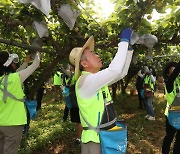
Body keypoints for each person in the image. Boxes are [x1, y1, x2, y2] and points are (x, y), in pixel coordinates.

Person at [69, 28, 134, 154]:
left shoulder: (94, 80)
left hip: (103, 136)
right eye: (92, 54)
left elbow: (120, 73)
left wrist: (129, 50)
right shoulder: (85, 82)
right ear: (84, 63)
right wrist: (123, 41)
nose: (97, 55)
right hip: (95, 140)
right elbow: (114, 70)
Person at [0, 51, 40, 154]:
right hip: (13, 123)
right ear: (9, 64)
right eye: (12, 62)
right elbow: (36, 64)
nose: (14, 64)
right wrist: (37, 50)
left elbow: (19, 71)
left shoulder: (3, 79)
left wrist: (26, 62)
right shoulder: (15, 78)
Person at [162, 61, 180, 154]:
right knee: (169, 137)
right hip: (171, 115)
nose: (176, 72)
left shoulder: (179, 81)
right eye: (172, 71)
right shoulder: (169, 83)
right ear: (168, 74)